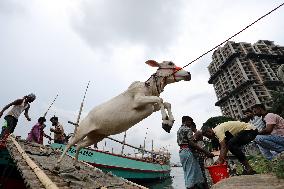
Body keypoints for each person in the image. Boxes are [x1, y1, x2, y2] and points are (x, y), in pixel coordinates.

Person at [177, 116, 214, 189]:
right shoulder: (187, 129)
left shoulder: (179, 130)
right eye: (190, 122)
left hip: (182, 152)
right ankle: (190, 187)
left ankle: (199, 186)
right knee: (191, 173)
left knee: (192, 172)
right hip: (187, 151)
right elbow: (191, 143)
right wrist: (206, 152)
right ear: (186, 121)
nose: (190, 124)